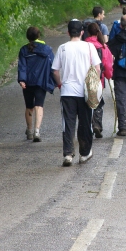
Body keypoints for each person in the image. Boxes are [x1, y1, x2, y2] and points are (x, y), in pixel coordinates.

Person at [52, 19, 101, 166]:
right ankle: (84, 153)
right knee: (85, 123)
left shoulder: (62, 48)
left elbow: (54, 70)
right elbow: (97, 68)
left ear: (68, 32)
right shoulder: (89, 46)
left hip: (67, 91)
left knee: (68, 123)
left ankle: (68, 154)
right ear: (81, 32)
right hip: (85, 92)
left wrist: (60, 84)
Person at [18, 27, 56, 142]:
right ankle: (36, 131)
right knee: (39, 106)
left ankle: (29, 131)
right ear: (39, 36)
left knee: (29, 106)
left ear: (27, 37)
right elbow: (53, 66)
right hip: (41, 82)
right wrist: (53, 81)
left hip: (28, 82)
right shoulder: (47, 49)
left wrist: (22, 80)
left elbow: (22, 66)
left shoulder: (24, 50)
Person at [84, 22, 114, 138]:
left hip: (85, 80)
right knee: (98, 102)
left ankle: (88, 126)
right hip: (98, 79)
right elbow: (107, 64)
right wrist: (108, 75)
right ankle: (97, 124)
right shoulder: (103, 46)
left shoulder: (84, 44)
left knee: (86, 103)